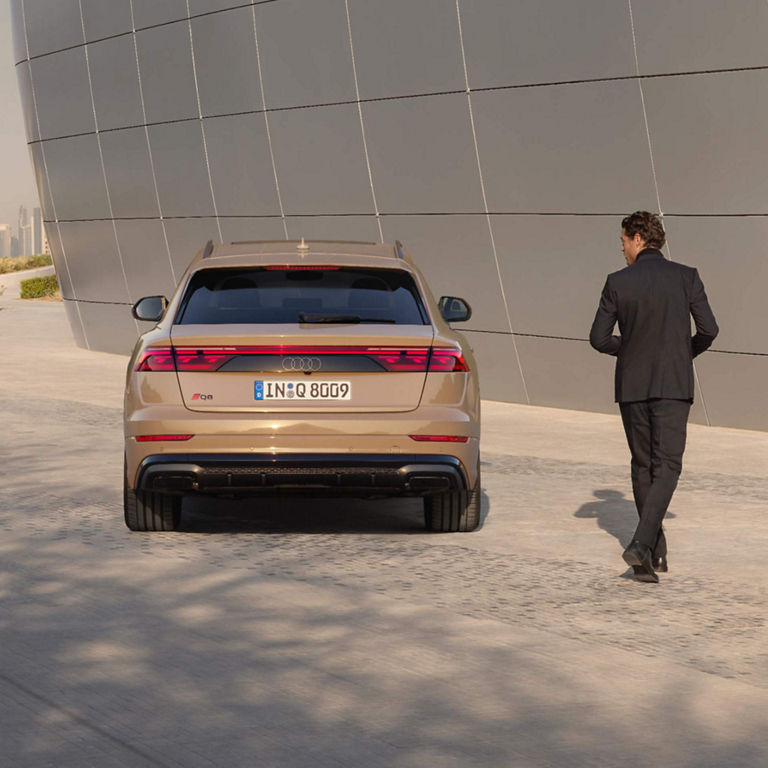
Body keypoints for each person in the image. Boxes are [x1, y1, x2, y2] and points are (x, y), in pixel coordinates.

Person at [589, 211, 718, 583]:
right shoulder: (686, 277)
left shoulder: (617, 282)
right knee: (668, 466)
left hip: (632, 385)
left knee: (643, 465)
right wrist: (682, 352)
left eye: (624, 241)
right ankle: (644, 544)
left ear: (637, 238)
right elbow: (709, 329)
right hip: (674, 385)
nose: (622, 248)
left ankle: (651, 554)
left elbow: (599, 338)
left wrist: (629, 351)